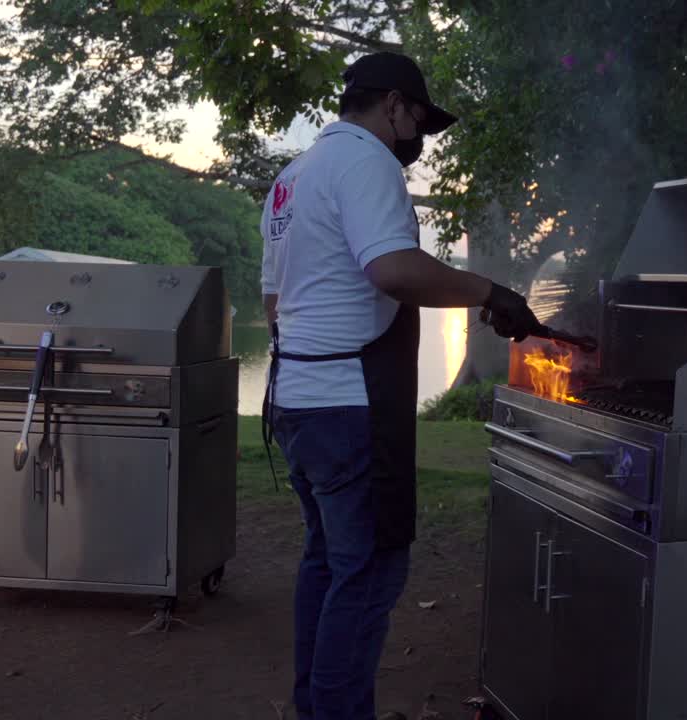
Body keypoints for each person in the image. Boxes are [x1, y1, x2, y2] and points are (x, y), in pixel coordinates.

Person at [260, 51, 539, 720]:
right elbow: (392, 270)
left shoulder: (292, 179)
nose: (419, 138)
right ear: (392, 105)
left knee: (327, 562)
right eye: (418, 120)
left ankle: (318, 707)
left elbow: (275, 306)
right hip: (349, 408)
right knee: (371, 573)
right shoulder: (367, 162)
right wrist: (489, 292)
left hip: (294, 401)